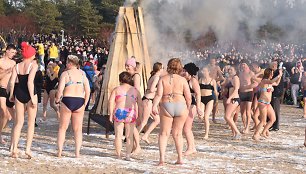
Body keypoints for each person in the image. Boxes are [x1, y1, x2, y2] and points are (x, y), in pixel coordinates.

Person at [152, 58, 191, 166]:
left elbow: (158, 95)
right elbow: (188, 97)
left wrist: (154, 106)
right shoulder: (183, 80)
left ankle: (162, 160)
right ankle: (180, 158)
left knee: (164, 133)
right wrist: (187, 108)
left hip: (166, 103)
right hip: (180, 104)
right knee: (178, 134)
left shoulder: (162, 79)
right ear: (180, 67)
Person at [55, 55, 90, 158]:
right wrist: (85, 103)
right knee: (78, 129)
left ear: (70, 63)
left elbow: (60, 89)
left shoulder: (66, 74)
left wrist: (57, 99)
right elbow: (88, 90)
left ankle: (60, 151)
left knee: (62, 128)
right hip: (79, 100)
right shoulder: (83, 74)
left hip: (67, 99)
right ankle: (77, 153)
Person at [9, 42, 38, 158]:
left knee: (18, 123)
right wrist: (32, 97)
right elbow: (30, 82)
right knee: (31, 124)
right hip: (29, 93)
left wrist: (11, 94)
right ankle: (27, 149)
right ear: (31, 55)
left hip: (19, 93)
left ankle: (14, 148)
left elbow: (12, 82)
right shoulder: (33, 65)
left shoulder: (16, 65)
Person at [109, 71, 142, 160]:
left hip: (119, 111)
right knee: (129, 136)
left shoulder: (116, 89)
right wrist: (140, 116)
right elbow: (140, 104)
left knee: (118, 135)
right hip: (131, 112)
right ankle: (128, 155)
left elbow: (111, 102)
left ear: (120, 80)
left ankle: (119, 155)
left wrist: (111, 114)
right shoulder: (135, 91)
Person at [252, 68, 282, 141]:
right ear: (268, 73)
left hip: (268, 103)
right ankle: (255, 134)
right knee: (263, 120)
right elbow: (272, 81)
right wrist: (278, 76)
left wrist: (280, 75)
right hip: (262, 102)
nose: (272, 75)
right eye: (271, 73)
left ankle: (264, 132)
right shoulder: (264, 81)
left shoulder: (270, 82)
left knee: (273, 119)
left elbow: (277, 83)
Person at [138, 62, 163, 144]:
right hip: (148, 100)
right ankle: (130, 137)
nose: (163, 70)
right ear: (159, 69)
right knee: (144, 121)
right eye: (162, 68)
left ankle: (145, 136)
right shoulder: (156, 77)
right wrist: (160, 88)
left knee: (157, 120)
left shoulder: (153, 76)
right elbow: (152, 89)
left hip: (148, 100)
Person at [182, 63, 201, 155]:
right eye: (183, 70)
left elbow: (198, 94)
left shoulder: (193, 81)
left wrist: (198, 107)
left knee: (186, 128)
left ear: (190, 72)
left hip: (192, 106)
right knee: (187, 128)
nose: (183, 72)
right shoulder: (184, 80)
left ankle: (190, 148)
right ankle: (192, 147)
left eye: (185, 71)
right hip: (185, 105)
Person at [0, 44, 17, 144]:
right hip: (1, 88)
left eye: (14, 53)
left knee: (9, 116)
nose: (13, 54)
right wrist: (6, 71)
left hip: (10, 90)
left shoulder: (13, 62)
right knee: (4, 112)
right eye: (12, 52)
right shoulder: (0, 61)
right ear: (7, 51)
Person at [125, 57, 141, 153]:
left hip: (133, 102)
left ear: (133, 66)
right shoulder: (130, 76)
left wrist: (134, 104)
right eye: (126, 65)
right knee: (130, 125)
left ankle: (138, 146)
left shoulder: (136, 76)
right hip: (129, 101)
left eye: (128, 65)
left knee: (132, 125)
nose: (126, 67)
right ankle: (134, 146)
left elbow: (137, 90)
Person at [198, 66, 218, 139]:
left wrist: (217, 101)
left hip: (210, 99)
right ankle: (205, 130)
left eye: (205, 71)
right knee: (201, 116)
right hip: (202, 99)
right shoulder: (200, 80)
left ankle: (206, 134)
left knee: (206, 117)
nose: (203, 72)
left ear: (208, 72)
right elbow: (197, 90)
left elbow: (215, 92)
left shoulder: (212, 81)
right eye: (203, 71)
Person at [238, 61, 257, 134]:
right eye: (242, 65)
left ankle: (247, 127)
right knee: (242, 111)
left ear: (247, 65)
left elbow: (255, 83)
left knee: (248, 111)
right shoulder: (240, 73)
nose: (243, 66)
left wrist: (247, 86)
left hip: (249, 92)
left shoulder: (251, 73)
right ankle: (245, 126)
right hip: (242, 93)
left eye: (244, 65)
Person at [224, 66, 241, 140]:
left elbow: (236, 89)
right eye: (229, 70)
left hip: (234, 99)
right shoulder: (231, 78)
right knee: (230, 117)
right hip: (232, 99)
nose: (229, 71)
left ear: (235, 70)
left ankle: (237, 132)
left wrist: (230, 98)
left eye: (231, 69)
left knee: (227, 116)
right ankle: (234, 134)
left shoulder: (236, 78)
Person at [208, 57, 224, 123]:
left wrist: (214, 80)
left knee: (215, 101)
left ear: (215, 61)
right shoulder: (206, 67)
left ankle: (213, 117)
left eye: (213, 61)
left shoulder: (217, 67)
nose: (212, 62)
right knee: (206, 100)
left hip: (214, 85)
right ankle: (205, 116)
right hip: (207, 84)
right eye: (211, 61)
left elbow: (221, 77)